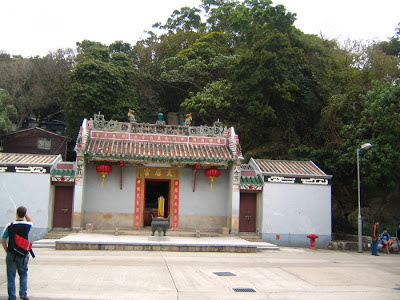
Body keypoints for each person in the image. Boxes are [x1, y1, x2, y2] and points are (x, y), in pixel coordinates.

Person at [2, 206, 33, 300]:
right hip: (23, 254)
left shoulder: (9, 225)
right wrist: (26, 214)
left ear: (16, 213)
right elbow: (31, 221)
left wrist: (7, 250)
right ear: (24, 215)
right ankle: (23, 294)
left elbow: (3, 240)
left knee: (11, 276)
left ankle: (12, 297)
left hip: (11, 253)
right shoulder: (28, 226)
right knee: (23, 274)